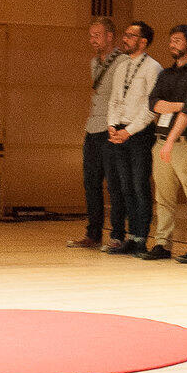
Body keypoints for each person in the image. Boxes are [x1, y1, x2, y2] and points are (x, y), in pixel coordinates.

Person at [146, 24, 187, 262]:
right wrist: (178, 105)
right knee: (163, 197)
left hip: (184, 143)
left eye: (176, 40)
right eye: (171, 40)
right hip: (161, 140)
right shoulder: (165, 74)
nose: (171, 44)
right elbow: (153, 103)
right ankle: (162, 243)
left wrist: (171, 139)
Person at [102, 20, 162, 256]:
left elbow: (151, 108)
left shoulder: (153, 68)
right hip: (119, 131)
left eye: (130, 35)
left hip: (139, 134)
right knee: (123, 187)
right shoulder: (121, 67)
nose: (124, 39)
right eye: (125, 34)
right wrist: (111, 126)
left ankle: (140, 237)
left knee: (139, 186)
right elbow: (115, 99)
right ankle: (127, 236)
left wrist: (129, 131)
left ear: (143, 41)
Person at [69, 17, 122, 249]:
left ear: (110, 36)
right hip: (92, 128)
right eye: (91, 36)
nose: (93, 40)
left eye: (97, 35)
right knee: (90, 182)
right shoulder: (93, 63)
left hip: (111, 129)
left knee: (114, 184)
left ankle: (118, 235)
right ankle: (93, 233)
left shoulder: (122, 62)